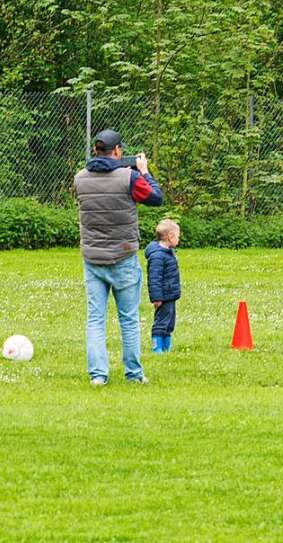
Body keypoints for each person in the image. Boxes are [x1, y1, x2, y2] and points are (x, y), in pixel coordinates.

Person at [74, 129, 163, 385]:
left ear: (95, 152)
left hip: (92, 259)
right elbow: (155, 198)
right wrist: (144, 171)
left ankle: (98, 376)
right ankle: (133, 374)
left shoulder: (80, 179)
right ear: (117, 152)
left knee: (95, 319)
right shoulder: (130, 178)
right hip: (123, 256)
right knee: (128, 319)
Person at [145, 219, 181, 354]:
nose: (178, 239)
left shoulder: (168, 252)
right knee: (161, 322)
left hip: (170, 294)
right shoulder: (158, 256)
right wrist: (156, 297)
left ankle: (166, 347)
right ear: (170, 236)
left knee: (169, 322)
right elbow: (154, 278)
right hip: (163, 296)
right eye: (177, 236)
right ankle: (157, 347)